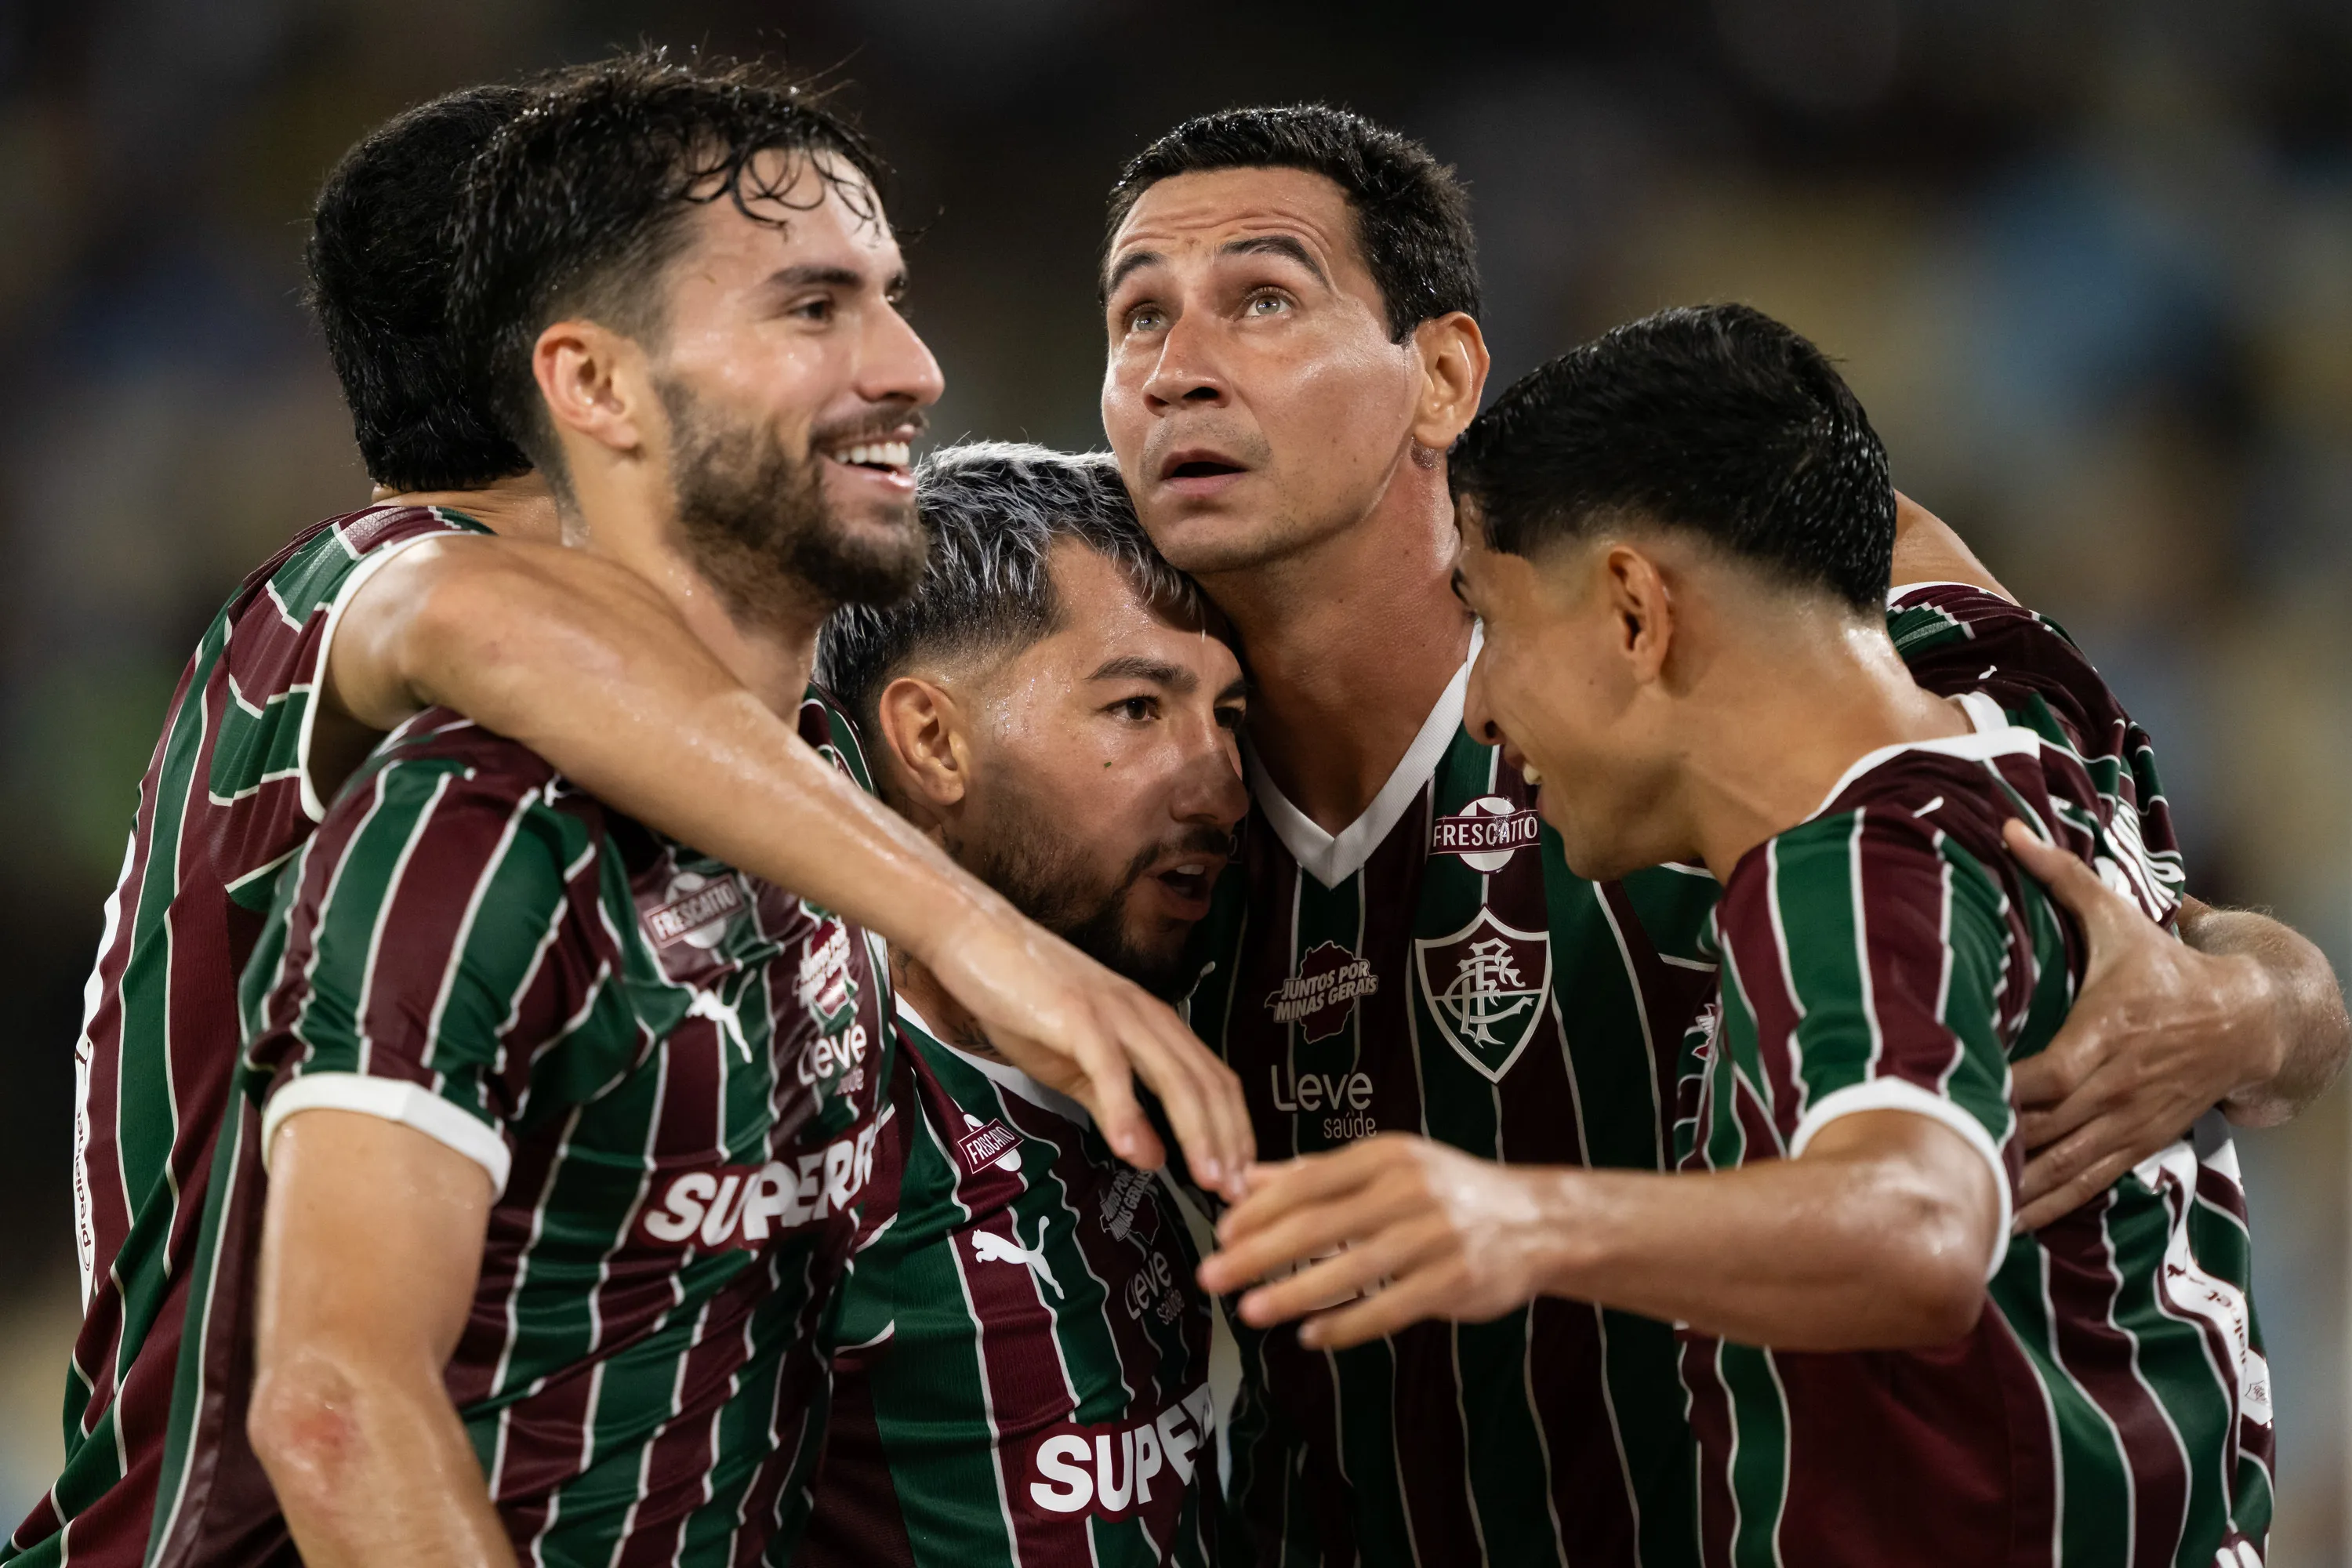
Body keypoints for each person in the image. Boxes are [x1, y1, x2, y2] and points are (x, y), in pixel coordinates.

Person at [21, 66, 1247, 1568]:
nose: (902, 366)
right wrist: (970, 928)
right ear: (585, 380)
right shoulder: (381, 611)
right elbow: (478, 618)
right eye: (798, 304)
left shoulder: (763, 766)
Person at [1094, 105, 2343, 1565]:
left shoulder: (1796, 622)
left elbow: (2197, 965)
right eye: (1135, 321)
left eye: (1262, 299)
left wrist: (2248, 1008)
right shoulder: (1100, 755)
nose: (1179, 370)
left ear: (1439, 374)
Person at [802, 442, 1246, 1567]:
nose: (1221, 786)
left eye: (1229, 715)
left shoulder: (1128, 1058)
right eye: (1139, 708)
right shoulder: (804, 1112)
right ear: (933, 739)